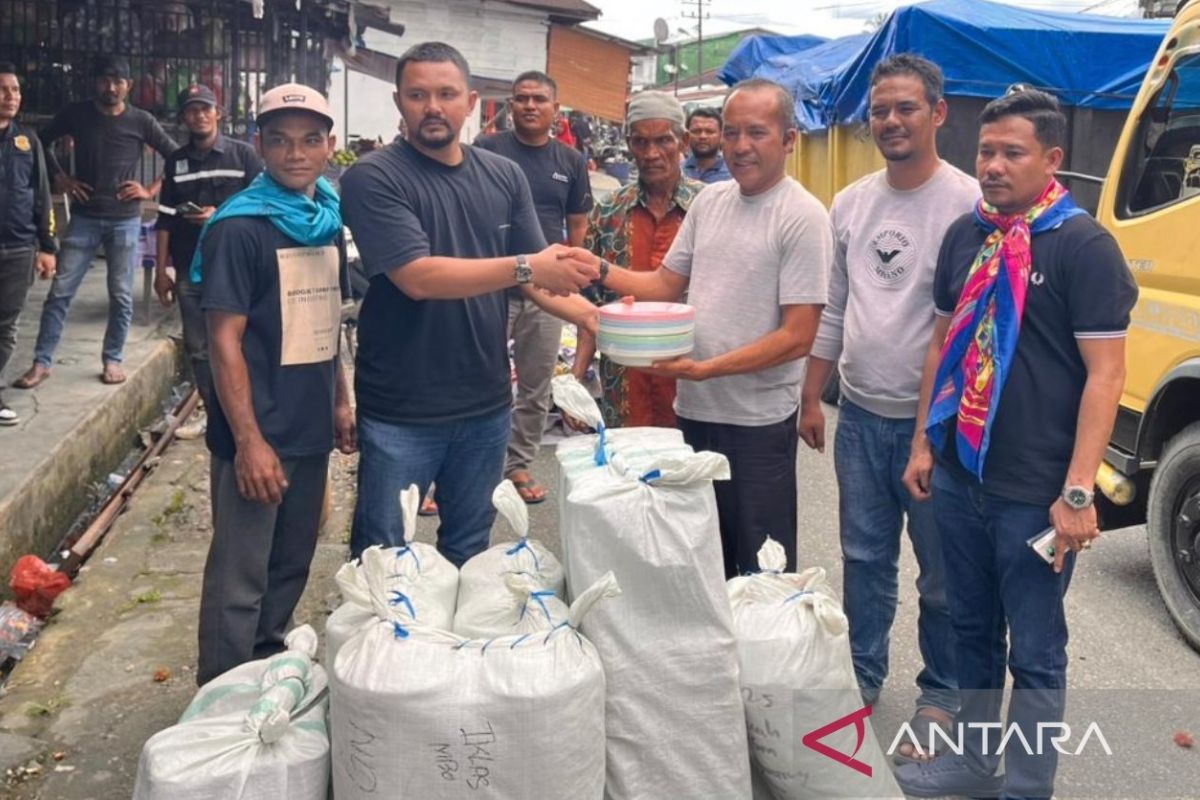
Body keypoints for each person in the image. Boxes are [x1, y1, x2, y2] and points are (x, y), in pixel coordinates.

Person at [896, 88, 1137, 798]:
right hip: (961, 474)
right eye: (985, 152)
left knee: (1034, 651)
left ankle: (1028, 786)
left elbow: (1106, 376)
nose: (993, 166)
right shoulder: (965, 236)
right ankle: (973, 765)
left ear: (1052, 159)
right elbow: (940, 343)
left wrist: (1077, 492)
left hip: (1035, 493)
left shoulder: (1083, 248)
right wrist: (923, 444)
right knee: (969, 630)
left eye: (1012, 153)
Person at [340, 41, 598, 565]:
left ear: (472, 102)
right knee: (384, 559)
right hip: (401, 409)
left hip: (485, 404)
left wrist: (595, 316)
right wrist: (528, 267)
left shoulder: (502, 176)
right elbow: (418, 277)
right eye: (418, 95)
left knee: (469, 551)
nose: (433, 107)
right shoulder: (373, 177)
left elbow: (534, 276)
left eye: (446, 94)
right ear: (399, 102)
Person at [798, 54, 978, 761]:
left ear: (938, 113)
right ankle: (862, 675)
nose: (891, 121)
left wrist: (936, 432)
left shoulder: (969, 205)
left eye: (906, 108)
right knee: (864, 556)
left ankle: (942, 692)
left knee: (943, 572)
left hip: (938, 428)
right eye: (880, 111)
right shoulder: (850, 204)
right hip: (860, 417)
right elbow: (833, 307)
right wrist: (811, 396)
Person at [587, 78, 833, 577]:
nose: (740, 146)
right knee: (706, 560)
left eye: (757, 133)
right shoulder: (710, 202)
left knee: (763, 566)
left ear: (789, 140)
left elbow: (797, 336)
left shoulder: (802, 216)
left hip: (756, 423)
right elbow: (663, 284)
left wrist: (706, 369)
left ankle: (765, 631)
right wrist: (595, 268)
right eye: (732, 132)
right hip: (695, 413)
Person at [193, 83, 355, 684]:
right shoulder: (240, 228)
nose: (296, 154)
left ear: (330, 147)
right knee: (240, 576)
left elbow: (326, 318)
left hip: (308, 425)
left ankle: (263, 669)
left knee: (291, 562)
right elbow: (223, 341)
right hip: (257, 431)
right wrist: (249, 443)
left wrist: (341, 400)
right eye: (281, 141)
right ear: (260, 146)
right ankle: (221, 695)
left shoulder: (326, 220)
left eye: (310, 140)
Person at [14, 56, 176, 389]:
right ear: (95, 82)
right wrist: (60, 178)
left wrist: (149, 190)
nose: (111, 87)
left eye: (118, 81)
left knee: (121, 295)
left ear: (129, 86)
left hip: (124, 220)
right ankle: (42, 362)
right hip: (84, 218)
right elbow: (39, 142)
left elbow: (175, 156)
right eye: (104, 80)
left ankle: (113, 359)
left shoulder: (141, 120)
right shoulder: (77, 114)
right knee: (60, 292)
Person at [476, 71, 593, 504]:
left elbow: (577, 226)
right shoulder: (486, 150)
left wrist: (573, 280)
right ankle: (460, 473)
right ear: (510, 105)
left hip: (547, 291)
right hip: (491, 284)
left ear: (555, 109)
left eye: (539, 99)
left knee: (535, 383)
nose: (529, 105)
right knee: (474, 379)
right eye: (521, 98)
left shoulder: (571, 161)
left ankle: (517, 465)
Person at [573, 91, 704, 429]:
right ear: (629, 144)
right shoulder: (608, 212)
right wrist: (577, 380)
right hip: (624, 385)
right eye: (640, 142)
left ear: (683, 142)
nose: (651, 153)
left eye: (663, 141)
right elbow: (589, 307)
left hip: (694, 384)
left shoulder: (709, 208)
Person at [155, 84, 262, 410]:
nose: (199, 115)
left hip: (237, 266)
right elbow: (165, 219)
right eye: (192, 110)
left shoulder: (243, 155)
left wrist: (220, 214)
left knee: (245, 339)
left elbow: (262, 205)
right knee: (200, 348)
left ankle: (248, 408)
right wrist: (160, 271)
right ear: (184, 118)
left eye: (205, 109)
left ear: (219, 113)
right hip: (190, 268)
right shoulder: (175, 162)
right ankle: (216, 412)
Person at [0, 63, 56, 426]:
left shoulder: (27, 140)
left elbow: (42, 196)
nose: (11, 96)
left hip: (19, 248)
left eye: (16, 90)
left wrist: (47, 246)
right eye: (3, 89)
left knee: (6, 326)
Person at [683, 106, 731, 183]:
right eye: (696, 131)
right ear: (687, 135)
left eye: (709, 131)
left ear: (721, 135)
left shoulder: (732, 174)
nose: (703, 136)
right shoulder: (678, 171)